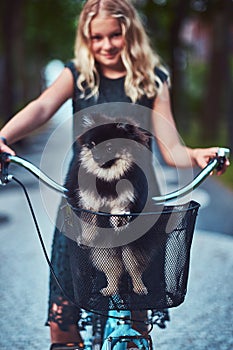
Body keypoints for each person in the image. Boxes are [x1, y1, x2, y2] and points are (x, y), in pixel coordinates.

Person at [0, 0, 229, 349]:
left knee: (133, 320)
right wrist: (3, 136)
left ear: (130, 33)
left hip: (135, 210)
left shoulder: (152, 80)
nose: (105, 45)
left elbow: (170, 148)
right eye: (96, 38)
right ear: (86, 39)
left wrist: (197, 154)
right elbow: (43, 107)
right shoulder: (78, 74)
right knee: (63, 321)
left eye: (115, 35)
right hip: (82, 210)